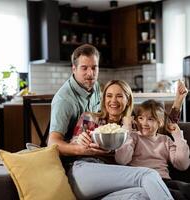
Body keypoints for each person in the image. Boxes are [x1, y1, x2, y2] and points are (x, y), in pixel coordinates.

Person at [48, 45, 151, 199]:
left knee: (143, 195)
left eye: (94, 68)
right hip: (79, 162)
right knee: (147, 177)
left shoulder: (95, 87)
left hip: (103, 167)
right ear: (74, 69)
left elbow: (160, 124)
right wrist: (80, 148)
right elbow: (53, 144)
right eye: (84, 68)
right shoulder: (65, 100)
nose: (90, 74)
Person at [71, 80, 174, 200]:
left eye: (119, 96)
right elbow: (71, 146)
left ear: (128, 100)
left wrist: (178, 101)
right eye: (109, 96)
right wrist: (79, 142)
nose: (113, 100)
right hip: (85, 173)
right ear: (104, 99)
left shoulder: (133, 125)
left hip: (114, 181)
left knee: (144, 195)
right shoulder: (90, 118)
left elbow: (163, 126)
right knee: (148, 175)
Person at [115, 82, 190, 200]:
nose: (144, 123)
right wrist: (128, 131)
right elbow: (122, 159)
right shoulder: (133, 137)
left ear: (159, 123)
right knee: (178, 196)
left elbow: (182, 165)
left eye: (150, 119)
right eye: (141, 118)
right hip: (143, 181)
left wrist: (177, 136)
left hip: (164, 180)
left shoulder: (165, 140)